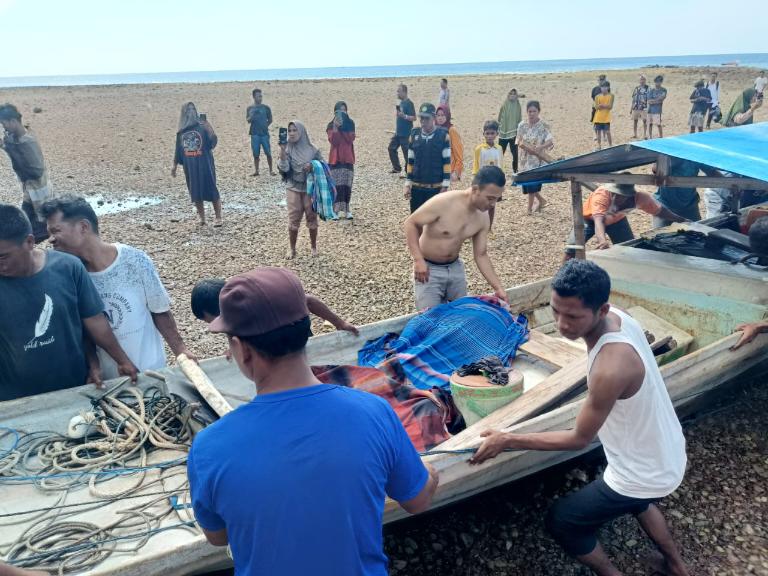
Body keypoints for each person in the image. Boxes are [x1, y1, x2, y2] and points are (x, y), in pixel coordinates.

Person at [188, 267, 439, 575]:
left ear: (241, 350)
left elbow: (217, 536)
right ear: (306, 332)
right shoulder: (374, 412)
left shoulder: (209, 447)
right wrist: (428, 471)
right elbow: (418, 501)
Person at [471, 260, 690, 576]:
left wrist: (507, 439)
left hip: (644, 472)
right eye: (555, 310)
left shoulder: (610, 368)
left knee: (562, 521)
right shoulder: (621, 318)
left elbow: (578, 439)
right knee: (639, 501)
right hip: (665, 450)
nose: (561, 324)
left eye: (573, 317)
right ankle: (677, 566)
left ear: (602, 310)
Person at [42, 196, 195, 380]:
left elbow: (160, 311)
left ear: (83, 227)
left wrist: (180, 350)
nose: (51, 240)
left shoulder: (135, 260)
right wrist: (93, 365)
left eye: (56, 231)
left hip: (152, 370)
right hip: (108, 381)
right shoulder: (69, 276)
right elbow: (82, 330)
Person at [0, 204, 137, 401]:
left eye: (3, 256)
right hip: (14, 399)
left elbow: (94, 321)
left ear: (29, 242)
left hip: (75, 388)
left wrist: (121, 360)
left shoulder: (68, 268)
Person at [404, 166, 509, 310]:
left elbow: (481, 255)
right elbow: (411, 223)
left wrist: (498, 288)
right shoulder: (444, 202)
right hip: (428, 269)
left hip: (455, 268)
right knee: (429, 316)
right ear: (475, 189)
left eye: (497, 199)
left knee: (460, 314)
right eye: (490, 198)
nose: (492, 204)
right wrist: (418, 260)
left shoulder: (483, 217)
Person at [191, 276, 359, 335]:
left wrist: (340, 323)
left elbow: (309, 301)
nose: (215, 326)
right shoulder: (234, 310)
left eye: (211, 320)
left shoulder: (260, 301)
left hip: (294, 336)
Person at [564, 183, 688, 260]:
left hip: (617, 221)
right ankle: (559, 282)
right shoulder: (602, 195)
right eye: (616, 194)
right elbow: (598, 221)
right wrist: (602, 241)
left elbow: (660, 211)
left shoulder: (641, 197)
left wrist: (681, 220)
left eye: (623, 195)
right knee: (571, 249)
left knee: (629, 250)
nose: (619, 197)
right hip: (589, 220)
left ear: (630, 194)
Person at [0, 104, 54, 243]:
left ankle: (28, 244)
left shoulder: (28, 141)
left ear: (13, 121)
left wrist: (8, 147)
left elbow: (36, 170)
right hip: (30, 189)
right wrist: (6, 145)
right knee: (27, 221)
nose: (4, 127)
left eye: (4, 124)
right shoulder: (16, 137)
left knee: (39, 224)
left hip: (38, 189)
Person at [171, 102, 222, 227]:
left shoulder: (202, 127)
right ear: (184, 113)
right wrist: (174, 166)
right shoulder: (181, 133)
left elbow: (213, 141)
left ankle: (218, 217)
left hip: (205, 165)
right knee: (195, 192)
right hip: (191, 167)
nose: (191, 111)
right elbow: (178, 150)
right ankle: (202, 218)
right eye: (188, 109)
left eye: (193, 108)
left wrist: (209, 127)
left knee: (211, 189)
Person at [278, 121, 323, 259]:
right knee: (294, 217)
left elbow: (323, 165)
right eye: (289, 130)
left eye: (294, 130)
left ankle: (313, 247)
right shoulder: (287, 149)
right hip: (293, 187)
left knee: (311, 215)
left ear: (301, 132)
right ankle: (292, 249)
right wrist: (282, 151)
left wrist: (313, 165)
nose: (291, 133)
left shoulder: (313, 149)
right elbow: (284, 168)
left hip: (309, 188)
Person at [404, 103, 451, 213]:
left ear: (434, 118)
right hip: (416, 188)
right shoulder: (414, 135)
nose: (423, 121)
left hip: (435, 189)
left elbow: (447, 163)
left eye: (427, 118)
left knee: (435, 220)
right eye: (421, 118)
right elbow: (410, 162)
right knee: (416, 218)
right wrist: (407, 184)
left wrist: (445, 186)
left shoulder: (443, 136)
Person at [516, 100, 554, 214]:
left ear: (538, 111)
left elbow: (550, 141)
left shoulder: (544, 125)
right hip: (524, 159)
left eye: (534, 111)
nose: (531, 114)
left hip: (537, 159)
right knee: (526, 182)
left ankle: (529, 209)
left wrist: (540, 147)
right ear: (526, 112)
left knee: (532, 182)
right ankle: (541, 200)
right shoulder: (522, 125)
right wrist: (522, 145)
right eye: (529, 111)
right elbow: (518, 139)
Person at [326, 101, 356, 219]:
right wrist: (335, 127)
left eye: (344, 110)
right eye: (339, 110)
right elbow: (334, 141)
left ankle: (347, 210)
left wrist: (343, 127)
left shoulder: (350, 123)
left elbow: (350, 139)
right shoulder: (330, 125)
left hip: (347, 158)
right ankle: (335, 211)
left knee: (347, 185)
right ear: (335, 112)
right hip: (335, 159)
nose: (342, 112)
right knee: (336, 186)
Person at [652, 159, 704, 225]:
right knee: (660, 231)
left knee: (698, 230)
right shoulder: (667, 156)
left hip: (690, 206)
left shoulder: (695, 156)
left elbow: (712, 171)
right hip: (665, 205)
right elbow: (656, 170)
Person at [473, 120, 504, 229]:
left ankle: (489, 227)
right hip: (483, 183)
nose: (490, 136)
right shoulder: (479, 149)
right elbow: (476, 166)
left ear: (497, 134)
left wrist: (501, 183)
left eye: (492, 133)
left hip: (495, 183)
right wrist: (475, 183)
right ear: (484, 134)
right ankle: (479, 227)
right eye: (487, 133)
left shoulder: (499, 148)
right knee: (481, 206)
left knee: (492, 205)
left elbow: (500, 166)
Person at [388, 84, 416, 175]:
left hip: (406, 133)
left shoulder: (409, 103)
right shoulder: (401, 103)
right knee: (391, 148)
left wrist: (404, 116)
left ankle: (409, 171)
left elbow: (414, 117)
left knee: (407, 154)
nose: (397, 93)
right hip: (398, 132)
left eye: (399, 91)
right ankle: (397, 168)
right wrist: (399, 114)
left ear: (404, 92)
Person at [246, 88, 274, 176]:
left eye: (261, 96)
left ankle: (271, 170)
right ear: (254, 97)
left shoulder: (266, 108)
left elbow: (270, 119)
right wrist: (252, 115)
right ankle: (256, 171)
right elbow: (248, 120)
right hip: (254, 134)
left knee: (268, 152)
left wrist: (265, 126)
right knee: (256, 154)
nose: (260, 98)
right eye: (258, 96)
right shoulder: (250, 108)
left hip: (264, 134)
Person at [436, 105, 463, 184]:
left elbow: (459, 153)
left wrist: (456, 172)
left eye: (443, 115)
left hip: (449, 171)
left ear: (447, 116)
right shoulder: (435, 129)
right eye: (438, 115)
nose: (440, 118)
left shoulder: (451, 130)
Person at [498, 89, 523, 173]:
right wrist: (499, 128)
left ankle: (515, 170)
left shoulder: (518, 105)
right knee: (500, 153)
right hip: (503, 133)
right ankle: (497, 169)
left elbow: (519, 118)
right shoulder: (504, 104)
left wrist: (518, 131)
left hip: (514, 133)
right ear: (508, 94)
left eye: (514, 94)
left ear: (516, 95)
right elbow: (500, 118)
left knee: (515, 153)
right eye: (510, 93)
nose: (512, 95)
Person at [593, 81, 614, 149]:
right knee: (598, 132)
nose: (603, 88)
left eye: (605, 87)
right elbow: (596, 107)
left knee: (607, 132)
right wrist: (604, 106)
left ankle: (610, 145)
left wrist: (602, 105)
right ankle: (599, 145)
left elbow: (610, 107)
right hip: (598, 117)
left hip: (606, 117)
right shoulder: (597, 96)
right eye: (602, 87)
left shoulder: (611, 96)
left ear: (608, 87)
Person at [630, 75, 649, 139]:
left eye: (643, 79)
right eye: (641, 79)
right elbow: (633, 98)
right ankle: (635, 134)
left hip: (644, 108)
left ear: (645, 80)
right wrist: (631, 108)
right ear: (639, 80)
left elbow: (650, 98)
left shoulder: (648, 88)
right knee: (635, 121)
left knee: (644, 121)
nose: (642, 81)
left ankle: (645, 135)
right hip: (635, 107)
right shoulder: (636, 88)